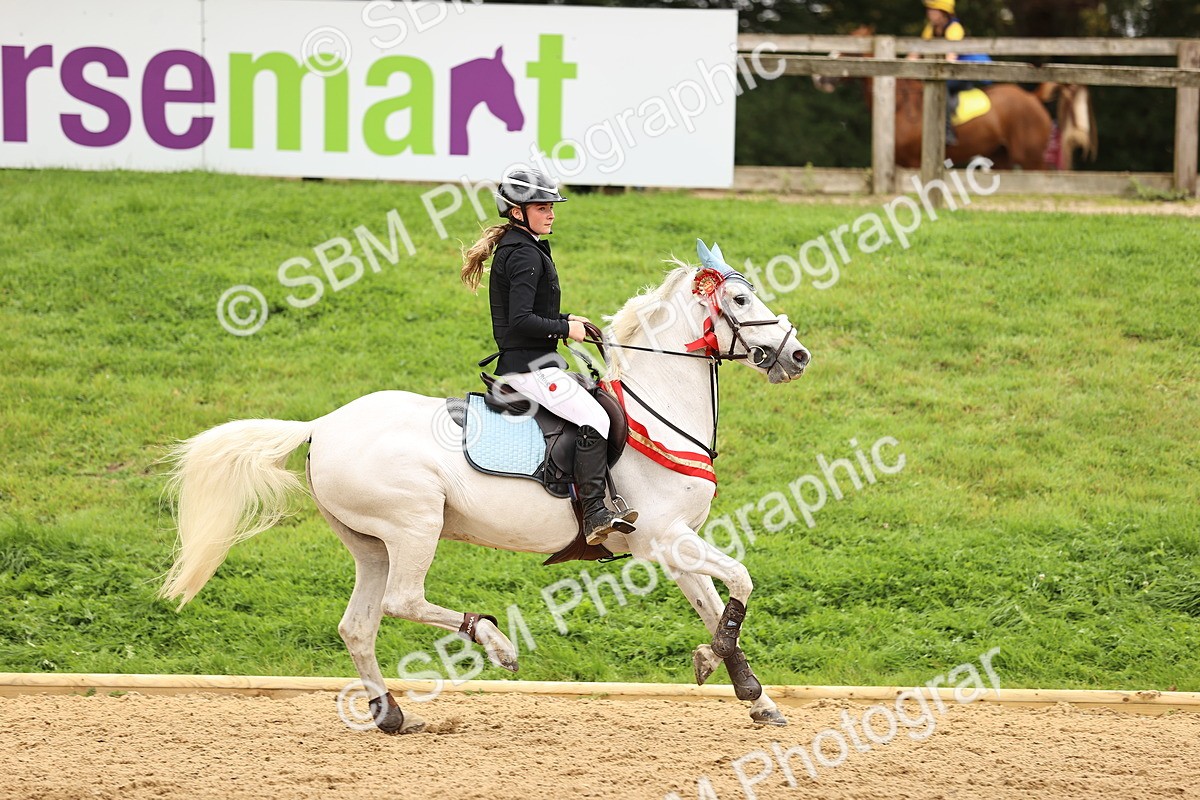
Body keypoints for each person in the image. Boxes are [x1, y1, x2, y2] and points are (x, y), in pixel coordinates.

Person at [460, 168, 638, 546]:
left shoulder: (526, 245)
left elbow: (527, 313)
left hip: (536, 361)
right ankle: (594, 513)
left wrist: (566, 319)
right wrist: (564, 329)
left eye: (552, 206)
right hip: (527, 368)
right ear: (516, 212)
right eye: (543, 207)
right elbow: (522, 321)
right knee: (594, 417)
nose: (552, 213)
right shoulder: (523, 253)